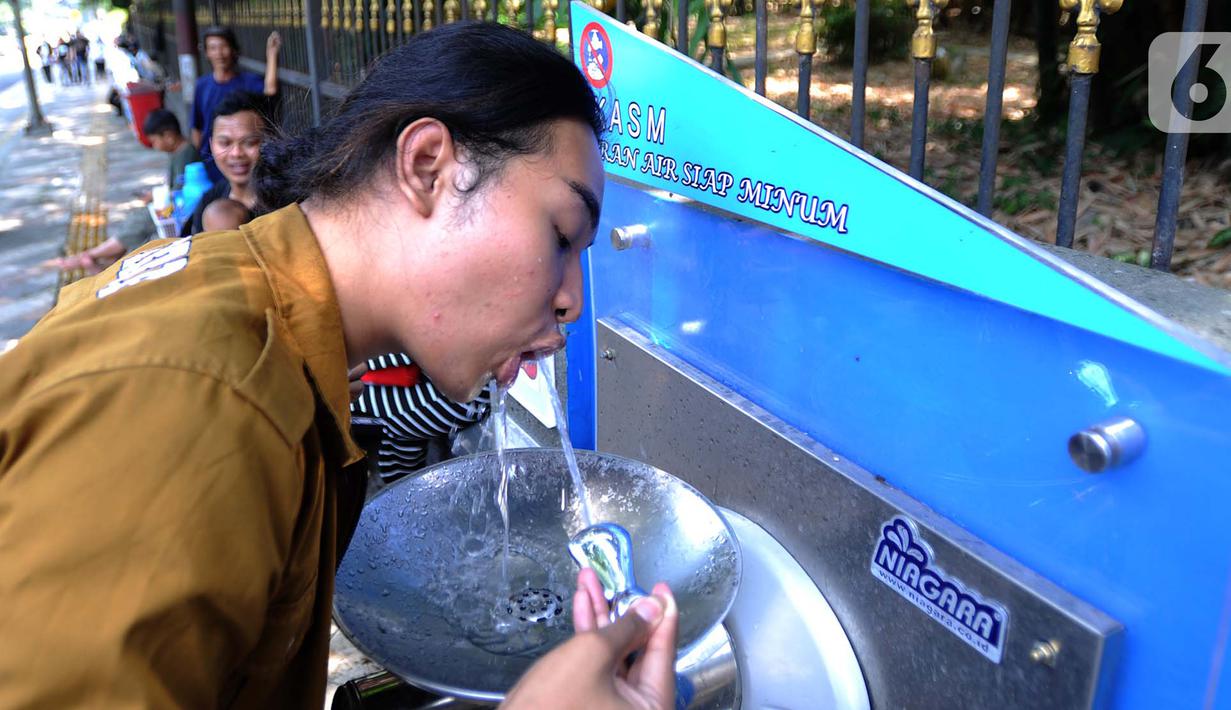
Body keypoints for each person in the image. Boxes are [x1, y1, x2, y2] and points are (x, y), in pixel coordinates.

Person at [0, 22, 676, 709]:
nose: (571, 302)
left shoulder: (257, 324)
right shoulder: (205, 398)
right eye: (561, 235)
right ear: (427, 167)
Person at [191, 26, 280, 183]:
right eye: (213, 48)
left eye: (223, 47)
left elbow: (269, 93)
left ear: (233, 50)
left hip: (244, 162)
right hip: (212, 161)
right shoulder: (202, 85)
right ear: (206, 52)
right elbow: (196, 126)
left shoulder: (249, 82)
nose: (219, 53)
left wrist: (272, 55)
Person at [183, 90, 269, 236]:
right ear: (211, 145)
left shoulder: (286, 206)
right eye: (225, 143)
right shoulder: (210, 202)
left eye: (250, 142)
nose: (236, 153)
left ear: (270, 140)